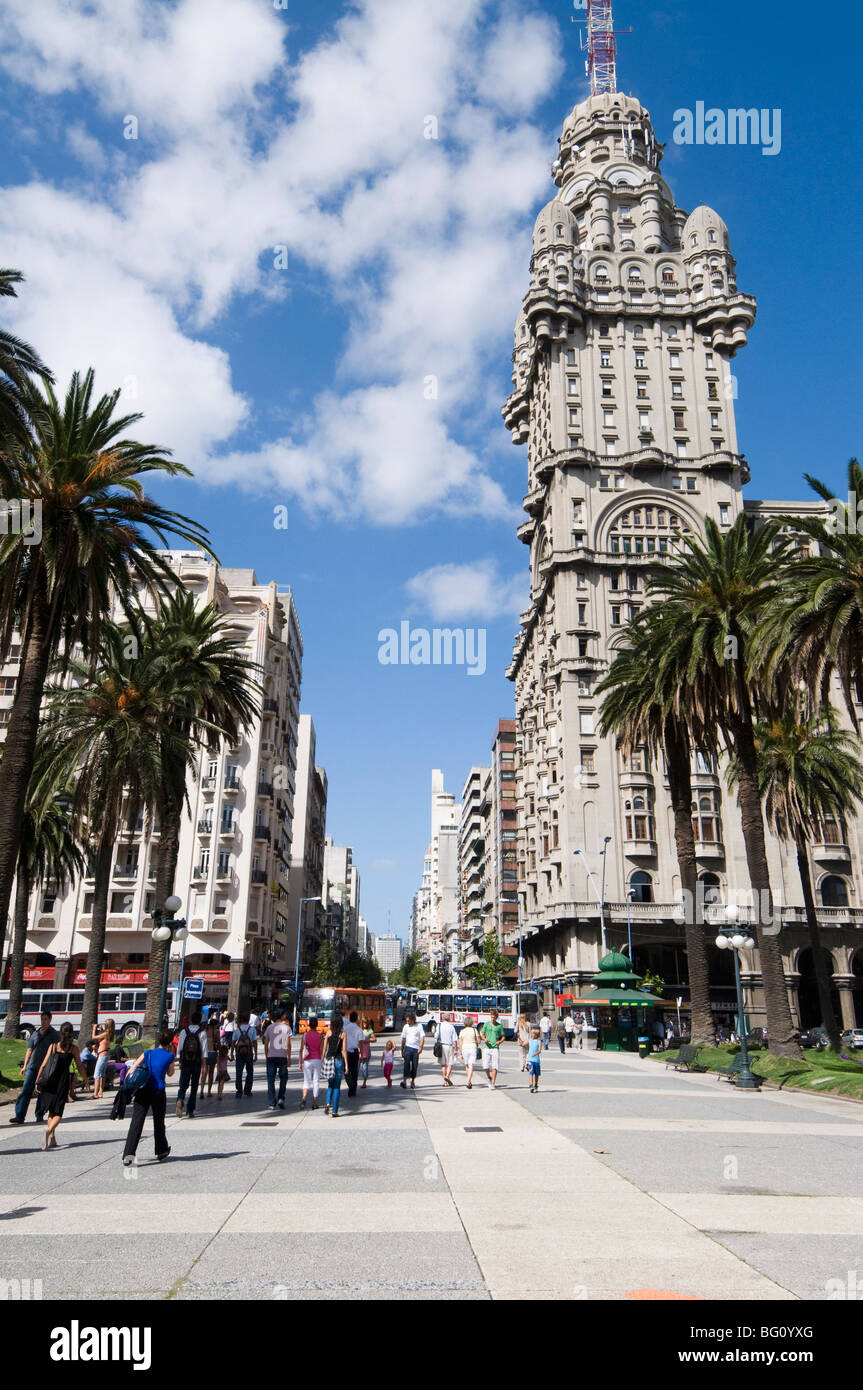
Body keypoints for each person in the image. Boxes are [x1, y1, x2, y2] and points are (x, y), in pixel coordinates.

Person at [122, 1030, 176, 1166]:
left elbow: (132, 1069)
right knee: (159, 1122)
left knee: (136, 1122)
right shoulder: (170, 1056)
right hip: (158, 1091)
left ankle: (128, 1154)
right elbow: (170, 1074)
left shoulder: (148, 1053)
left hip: (143, 1090)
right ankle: (161, 1150)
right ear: (169, 1042)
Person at [34, 1022, 89, 1148]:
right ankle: (48, 1131)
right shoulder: (73, 1049)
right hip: (62, 1081)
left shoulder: (53, 1047)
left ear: (60, 1032)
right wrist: (85, 1079)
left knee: (51, 1112)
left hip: (49, 1081)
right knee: (58, 1112)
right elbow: (79, 1065)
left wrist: (37, 1081)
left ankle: (52, 1140)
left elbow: (43, 1065)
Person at [10, 1010, 58, 1124]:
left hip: (45, 1067)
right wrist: (24, 1066)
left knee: (41, 1091)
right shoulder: (35, 1033)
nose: (43, 1021)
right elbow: (29, 1050)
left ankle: (39, 1114)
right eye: (42, 1019)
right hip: (33, 1066)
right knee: (26, 1090)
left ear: (50, 1020)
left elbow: (56, 1051)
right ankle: (20, 1115)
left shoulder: (54, 1034)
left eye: (46, 1019)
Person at [175, 1011, 204, 1117]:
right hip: (196, 1062)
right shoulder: (202, 1032)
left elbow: (180, 1048)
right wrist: (204, 1066)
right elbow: (204, 1051)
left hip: (186, 1061)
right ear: (200, 1021)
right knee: (194, 1086)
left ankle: (180, 1099)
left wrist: (180, 1061)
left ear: (191, 1020)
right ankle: (190, 1110)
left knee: (183, 1084)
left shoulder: (184, 1032)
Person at [263, 1008, 292, 1110]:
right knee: (283, 1078)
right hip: (282, 1056)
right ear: (281, 1016)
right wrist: (289, 1057)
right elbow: (288, 1044)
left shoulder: (269, 1028)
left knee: (270, 1080)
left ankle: (271, 1103)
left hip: (271, 1056)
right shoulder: (287, 1028)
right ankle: (281, 1097)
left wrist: (266, 1055)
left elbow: (266, 1043)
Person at [323, 1013, 348, 1116]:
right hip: (338, 1061)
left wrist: (322, 1060)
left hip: (329, 1060)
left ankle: (328, 1102)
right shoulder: (343, 1035)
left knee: (330, 1085)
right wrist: (346, 1064)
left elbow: (324, 1048)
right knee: (337, 1087)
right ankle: (335, 1111)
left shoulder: (328, 1033)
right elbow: (344, 1051)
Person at [299, 1017, 323, 1109]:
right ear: (317, 1024)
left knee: (306, 1081)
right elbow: (321, 1049)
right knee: (316, 1081)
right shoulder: (320, 1035)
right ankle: (314, 1102)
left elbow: (301, 1049)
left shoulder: (305, 1035)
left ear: (309, 1025)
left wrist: (300, 1062)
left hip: (307, 1060)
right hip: (317, 1059)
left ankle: (304, 1097)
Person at [233, 1013, 257, 1097]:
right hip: (249, 1052)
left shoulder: (237, 1029)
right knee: (249, 1071)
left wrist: (232, 1053)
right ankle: (247, 1090)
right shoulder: (252, 1029)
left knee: (239, 1072)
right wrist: (256, 1053)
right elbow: (254, 1042)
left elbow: (233, 1042)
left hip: (239, 1053)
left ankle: (239, 1091)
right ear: (248, 1020)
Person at [91, 1018, 116, 1100]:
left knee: (97, 1074)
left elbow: (94, 1037)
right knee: (102, 1074)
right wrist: (101, 1029)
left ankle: (95, 1093)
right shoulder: (109, 1033)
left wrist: (94, 1028)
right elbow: (102, 1037)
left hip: (102, 1055)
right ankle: (100, 1092)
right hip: (106, 1054)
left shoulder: (106, 1034)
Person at [481, 1009, 505, 1090]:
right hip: (487, 1047)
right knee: (485, 1066)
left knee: (495, 1066)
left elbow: (503, 1036)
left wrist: (500, 1041)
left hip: (495, 1048)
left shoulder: (499, 1026)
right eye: (491, 1017)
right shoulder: (486, 1024)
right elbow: (482, 1034)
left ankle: (493, 1083)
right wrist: (484, 1039)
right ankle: (489, 1077)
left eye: (494, 1017)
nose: (492, 1019)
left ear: (496, 1017)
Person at [400, 1011, 425, 1089]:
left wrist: (421, 1047)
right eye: (406, 1021)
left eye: (409, 1021)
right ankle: (404, 1081)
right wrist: (402, 1049)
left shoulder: (419, 1026)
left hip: (415, 1049)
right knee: (406, 1064)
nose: (407, 1022)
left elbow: (422, 1037)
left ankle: (412, 1081)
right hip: (408, 1047)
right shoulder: (405, 1027)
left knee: (414, 1066)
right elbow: (403, 1038)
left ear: (413, 1019)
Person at [343, 1010, 363, 1097]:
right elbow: (361, 1043)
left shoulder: (345, 1028)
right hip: (355, 1052)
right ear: (356, 1019)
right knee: (354, 1071)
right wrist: (361, 1054)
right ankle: (353, 1088)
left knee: (346, 1071)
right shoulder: (359, 1029)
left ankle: (351, 1086)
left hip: (346, 1051)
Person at [435, 1015, 458, 1086]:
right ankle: (447, 1076)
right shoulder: (451, 1027)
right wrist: (456, 1049)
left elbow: (436, 1036)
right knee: (450, 1063)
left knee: (443, 1064)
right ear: (449, 1019)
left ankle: (445, 1081)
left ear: (443, 1018)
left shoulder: (439, 1026)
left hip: (441, 1046)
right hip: (449, 1046)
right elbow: (454, 1039)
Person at [458, 1018, 479, 1089]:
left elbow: (460, 1043)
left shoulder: (462, 1031)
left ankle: (469, 1081)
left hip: (464, 1049)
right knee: (471, 1065)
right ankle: (468, 1081)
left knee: (467, 1065)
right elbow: (478, 1041)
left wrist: (460, 1052)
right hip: (473, 1048)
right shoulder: (474, 1030)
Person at [359, 1017, 376, 1088]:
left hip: (366, 1050)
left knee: (364, 1067)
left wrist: (368, 1041)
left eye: (366, 1023)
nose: (365, 1024)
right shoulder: (359, 1030)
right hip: (358, 1050)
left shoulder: (370, 1031)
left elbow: (374, 1039)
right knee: (356, 1067)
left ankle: (364, 1082)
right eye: (363, 1023)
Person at [527, 1027, 542, 1093]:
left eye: (532, 1033)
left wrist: (535, 1054)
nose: (531, 1034)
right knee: (531, 1072)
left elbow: (539, 1050)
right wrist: (519, 1038)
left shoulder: (539, 1042)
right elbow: (523, 1044)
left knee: (536, 1074)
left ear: (536, 1034)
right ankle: (531, 1085)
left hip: (536, 1060)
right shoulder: (530, 1040)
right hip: (530, 1060)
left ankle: (536, 1085)